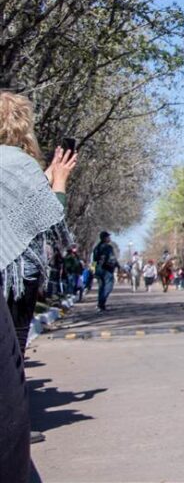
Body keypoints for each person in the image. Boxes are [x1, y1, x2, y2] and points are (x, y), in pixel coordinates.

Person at [1, 90, 77, 467]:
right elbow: (51, 219)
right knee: (13, 349)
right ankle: (14, 425)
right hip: (17, 273)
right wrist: (59, 181)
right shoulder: (18, 162)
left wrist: (45, 176)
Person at [93, 231, 119, 312]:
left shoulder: (96, 248)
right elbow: (112, 258)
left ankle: (100, 305)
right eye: (108, 237)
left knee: (101, 287)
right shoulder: (108, 247)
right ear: (105, 238)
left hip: (98, 269)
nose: (109, 238)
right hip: (107, 270)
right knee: (109, 287)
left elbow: (94, 260)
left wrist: (93, 270)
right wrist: (117, 265)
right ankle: (101, 303)